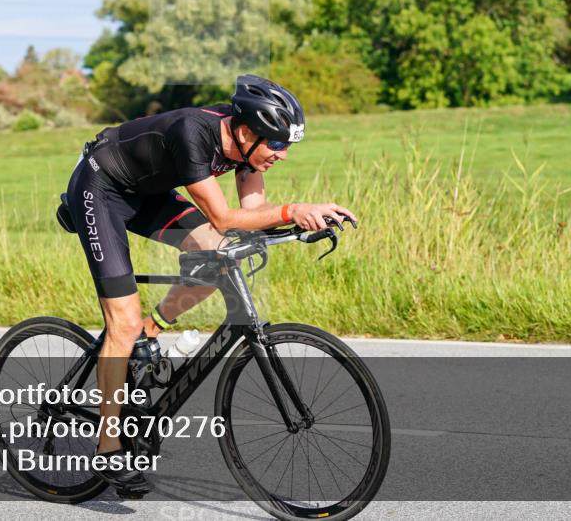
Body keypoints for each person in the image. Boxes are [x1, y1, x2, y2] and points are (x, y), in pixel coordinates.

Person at [61, 74, 357, 495]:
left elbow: (255, 211)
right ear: (247, 131)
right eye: (277, 144)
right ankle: (108, 449)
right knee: (120, 324)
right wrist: (295, 209)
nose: (283, 155)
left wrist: (301, 223)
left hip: (148, 193)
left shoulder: (247, 151)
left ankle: (152, 330)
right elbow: (224, 217)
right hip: (101, 189)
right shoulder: (193, 135)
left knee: (219, 257)